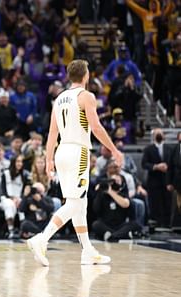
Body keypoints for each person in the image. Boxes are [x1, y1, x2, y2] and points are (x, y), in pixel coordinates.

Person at [27, 60, 124, 267]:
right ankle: (42, 239)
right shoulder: (86, 96)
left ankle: (87, 250)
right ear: (86, 75)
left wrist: (49, 158)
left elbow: (52, 132)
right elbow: (96, 127)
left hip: (62, 151)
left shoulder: (60, 98)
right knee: (75, 203)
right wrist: (114, 149)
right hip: (78, 151)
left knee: (81, 202)